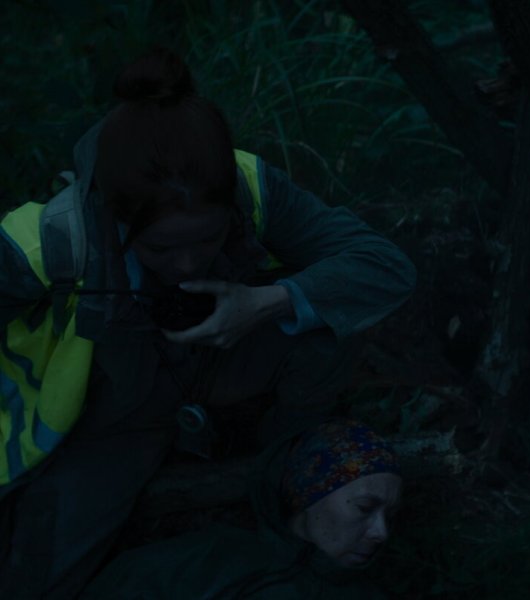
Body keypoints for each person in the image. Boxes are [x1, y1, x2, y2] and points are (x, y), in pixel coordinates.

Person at [0, 47, 416, 598]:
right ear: (116, 216)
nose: (188, 264)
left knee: (328, 319)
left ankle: (282, 474)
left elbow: (385, 267)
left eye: (207, 240)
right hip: (110, 417)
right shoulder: (45, 242)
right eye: (162, 249)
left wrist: (267, 302)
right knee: (38, 581)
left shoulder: (249, 185)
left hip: (220, 361)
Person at [81, 419, 402, 599]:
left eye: (389, 515)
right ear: (308, 494)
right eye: (365, 508)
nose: (381, 532)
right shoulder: (208, 560)